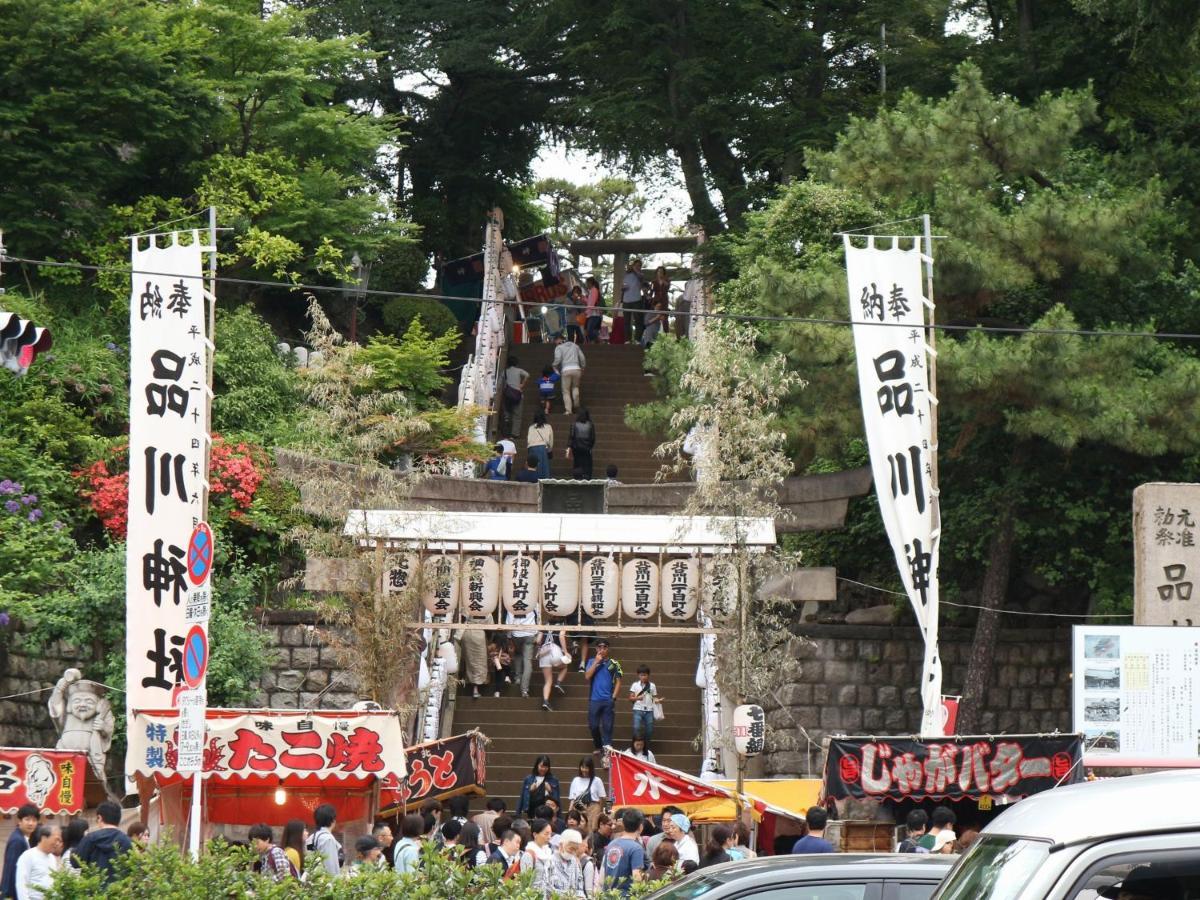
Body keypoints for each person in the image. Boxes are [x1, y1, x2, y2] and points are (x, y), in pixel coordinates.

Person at [72, 800, 133, 885]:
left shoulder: (90, 838)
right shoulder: (128, 841)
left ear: (99, 818)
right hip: (119, 893)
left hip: (92, 891)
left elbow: (75, 863)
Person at [585, 638, 622, 765]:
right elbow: (587, 676)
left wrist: (614, 697)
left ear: (608, 649)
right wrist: (596, 662)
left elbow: (618, 681)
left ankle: (606, 753)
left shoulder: (614, 663)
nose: (602, 649)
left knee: (607, 727)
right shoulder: (591, 661)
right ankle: (598, 745)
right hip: (594, 699)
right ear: (596, 649)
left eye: (604, 647)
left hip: (607, 700)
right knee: (593, 726)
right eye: (599, 647)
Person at [602, 809, 645, 896]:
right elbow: (637, 878)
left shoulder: (611, 844)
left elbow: (602, 876)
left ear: (624, 825)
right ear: (640, 827)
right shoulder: (636, 848)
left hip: (608, 896)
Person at [543, 828, 594, 898]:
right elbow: (547, 889)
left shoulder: (575, 863)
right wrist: (568, 896)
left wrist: (581, 897)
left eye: (575, 850)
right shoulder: (549, 862)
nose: (573, 852)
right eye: (571, 849)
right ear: (561, 845)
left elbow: (580, 888)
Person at [15, 824, 60, 900]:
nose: (57, 843)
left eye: (59, 840)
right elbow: (21, 884)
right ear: (44, 837)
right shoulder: (28, 856)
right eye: (56, 840)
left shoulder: (52, 858)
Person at [2, 804, 38, 899]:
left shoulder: (23, 838)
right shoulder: (18, 841)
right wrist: (8, 896)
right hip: (12, 894)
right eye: (27, 819)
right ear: (19, 821)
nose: (31, 823)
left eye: (34, 820)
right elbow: (11, 870)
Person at [568, 756, 606, 834]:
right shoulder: (576, 780)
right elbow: (573, 798)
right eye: (582, 767)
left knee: (592, 830)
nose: (584, 770)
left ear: (591, 768)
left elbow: (602, 797)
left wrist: (599, 812)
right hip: (578, 808)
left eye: (587, 768)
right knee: (578, 830)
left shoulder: (597, 780)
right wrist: (570, 810)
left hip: (593, 808)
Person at [536, 627, 570, 711]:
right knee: (565, 666)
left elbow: (538, 641)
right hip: (555, 649)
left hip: (544, 651)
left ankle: (545, 701)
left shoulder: (544, 626)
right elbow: (561, 636)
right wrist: (565, 652)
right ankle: (558, 683)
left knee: (548, 681)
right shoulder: (562, 625)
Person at [507, 605, 538, 698]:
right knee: (527, 661)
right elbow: (538, 618)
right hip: (530, 633)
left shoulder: (512, 601)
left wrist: (509, 637)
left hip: (516, 633)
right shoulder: (534, 603)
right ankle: (524, 690)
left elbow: (509, 621)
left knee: (518, 654)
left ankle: (517, 678)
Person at [628, 665, 661, 747]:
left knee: (649, 730)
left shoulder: (652, 686)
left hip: (649, 710)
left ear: (648, 675)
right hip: (638, 709)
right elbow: (630, 698)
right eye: (641, 675)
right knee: (636, 728)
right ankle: (636, 745)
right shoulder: (635, 685)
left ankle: (646, 746)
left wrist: (658, 700)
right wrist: (637, 698)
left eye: (645, 675)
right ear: (638, 675)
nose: (643, 677)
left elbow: (653, 698)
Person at [553, 334, 586, 415]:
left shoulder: (559, 347)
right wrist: (583, 367)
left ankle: (568, 410)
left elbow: (558, 359)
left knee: (566, 391)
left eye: (556, 342)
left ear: (559, 340)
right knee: (575, 387)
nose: (556, 344)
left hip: (566, 370)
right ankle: (576, 403)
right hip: (577, 369)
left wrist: (554, 365)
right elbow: (582, 358)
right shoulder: (575, 346)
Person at [308, 803, 343, 876]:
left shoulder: (310, 838)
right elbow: (331, 865)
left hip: (311, 880)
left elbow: (309, 857)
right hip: (325, 883)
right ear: (333, 820)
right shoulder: (328, 839)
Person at [621, 259, 646, 342]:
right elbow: (623, 286)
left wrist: (633, 268)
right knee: (626, 322)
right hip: (626, 300)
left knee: (638, 321)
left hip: (636, 300)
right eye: (636, 265)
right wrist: (623, 288)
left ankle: (637, 340)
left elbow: (641, 278)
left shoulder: (641, 275)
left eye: (639, 265)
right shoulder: (627, 275)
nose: (638, 267)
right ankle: (627, 340)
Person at [567, 409, 596, 479]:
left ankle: (577, 477)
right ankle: (586, 478)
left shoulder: (574, 424)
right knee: (587, 466)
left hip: (576, 449)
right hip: (587, 449)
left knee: (577, 464)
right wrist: (589, 446)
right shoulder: (591, 425)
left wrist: (569, 448)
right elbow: (593, 438)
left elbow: (571, 437)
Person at [527, 818, 555, 889]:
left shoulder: (549, 851)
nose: (549, 837)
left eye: (550, 834)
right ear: (535, 834)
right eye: (546, 834)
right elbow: (526, 883)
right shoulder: (529, 855)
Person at [504, 356, 529, 432]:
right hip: (518, 394)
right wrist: (522, 384)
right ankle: (515, 433)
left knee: (507, 413)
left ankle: (506, 429)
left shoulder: (505, 371)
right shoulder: (519, 370)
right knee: (517, 415)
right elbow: (527, 375)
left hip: (508, 395)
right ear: (516, 363)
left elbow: (499, 383)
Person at [528, 411, 555, 478]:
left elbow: (529, 440)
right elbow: (551, 440)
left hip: (532, 448)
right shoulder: (548, 427)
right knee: (543, 467)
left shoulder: (531, 427)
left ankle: (533, 480)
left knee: (533, 466)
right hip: (542, 448)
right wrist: (550, 449)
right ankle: (544, 481)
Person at [584, 277, 603, 344]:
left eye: (587, 283)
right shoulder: (592, 290)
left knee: (590, 330)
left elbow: (592, 303)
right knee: (591, 330)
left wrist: (586, 312)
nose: (586, 285)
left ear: (590, 283)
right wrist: (584, 299)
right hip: (592, 314)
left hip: (594, 314)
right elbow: (590, 302)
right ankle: (596, 342)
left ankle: (599, 340)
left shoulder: (594, 290)